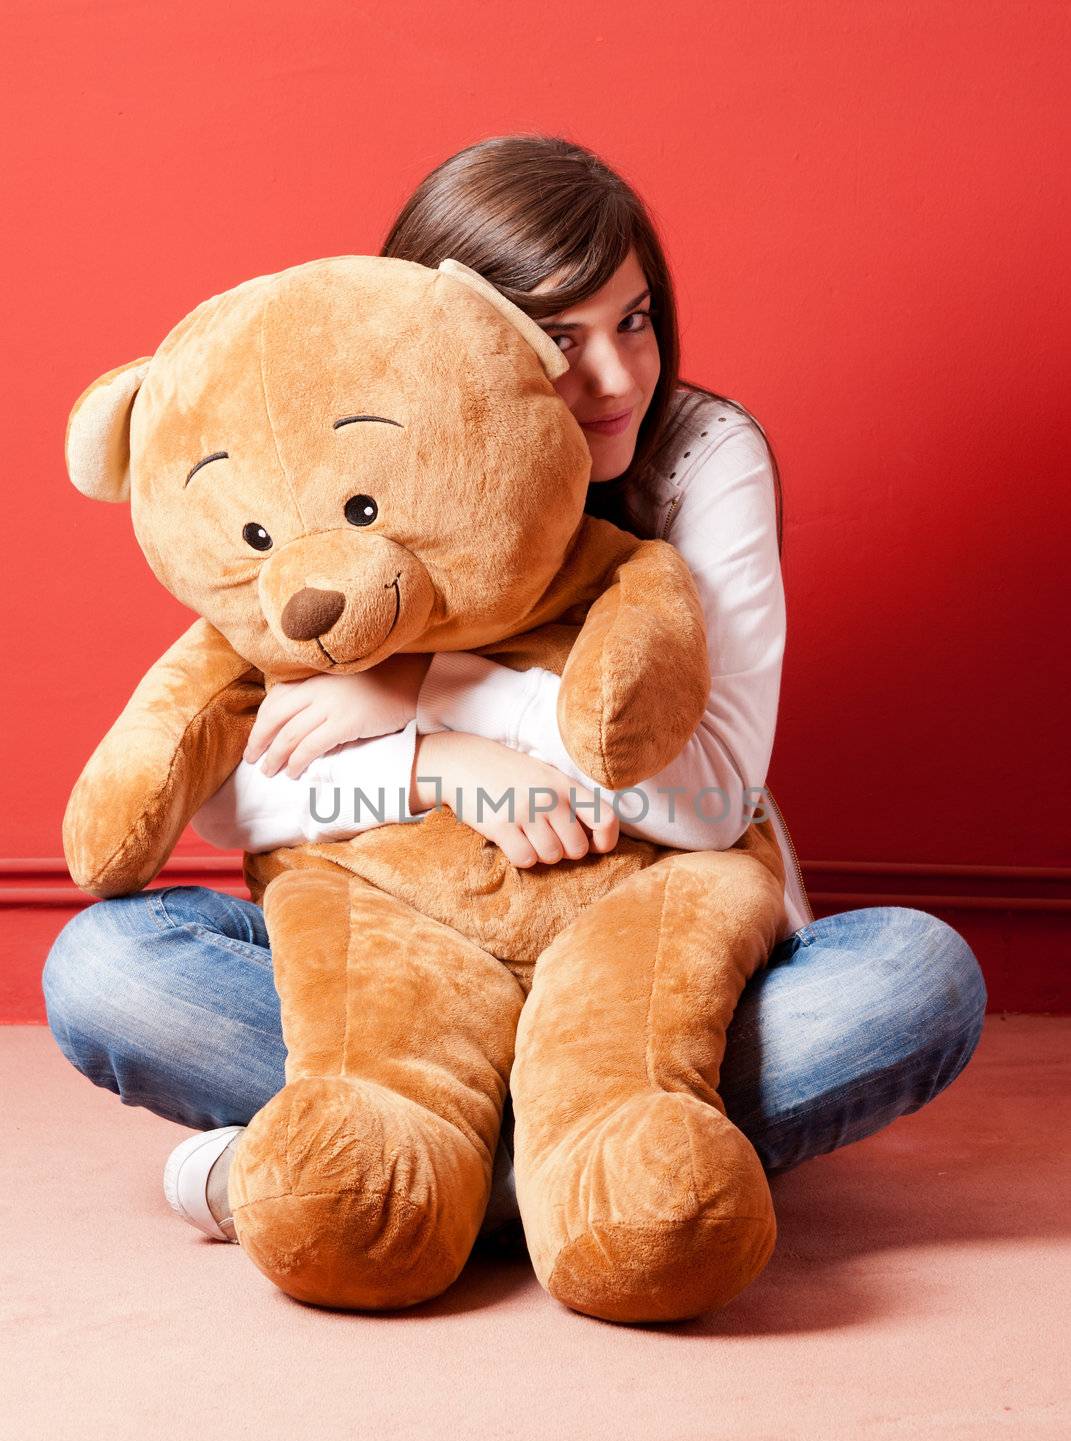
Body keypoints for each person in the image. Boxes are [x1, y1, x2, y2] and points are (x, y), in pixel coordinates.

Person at [42, 134, 987, 1256]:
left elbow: (708, 801)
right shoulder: (372, 460)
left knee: (917, 978)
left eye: (634, 320)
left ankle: (382, 1175)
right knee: (105, 969)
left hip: (646, 965)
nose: (616, 378)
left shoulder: (701, 454)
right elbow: (226, 801)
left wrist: (438, 689)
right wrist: (434, 769)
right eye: (560, 337)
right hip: (409, 961)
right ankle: (576, 1171)